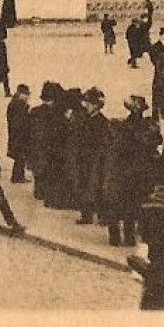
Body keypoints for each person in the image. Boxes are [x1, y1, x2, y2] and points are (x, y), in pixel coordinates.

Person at [103, 95, 162, 247]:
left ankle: (120, 236)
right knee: (127, 203)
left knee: (124, 202)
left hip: (131, 169)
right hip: (130, 169)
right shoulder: (133, 125)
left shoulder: (133, 125)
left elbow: (153, 141)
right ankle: (123, 236)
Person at [72, 87, 112, 226]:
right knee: (83, 185)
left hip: (97, 160)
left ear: (97, 106)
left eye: (89, 103)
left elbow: (103, 143)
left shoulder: (103, 122)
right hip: (84, 158)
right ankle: (86, 215)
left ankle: (103, 216)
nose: (86, 105)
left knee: (98, 187)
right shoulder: (84, 119)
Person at [26, 82, 62, 200]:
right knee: (46, 170)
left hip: (35, 147)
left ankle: (39, 191)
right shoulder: (55, 114)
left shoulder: (34, 111)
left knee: (38, 172)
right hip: (46, 147)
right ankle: (44, 192)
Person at [5, 84, 32, 184]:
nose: (28, 97)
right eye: (26, 94)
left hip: (16, 135)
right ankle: (17, 177)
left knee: (19, 157)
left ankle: (18, 176)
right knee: (20, 157)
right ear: (21, 94)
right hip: (19, 135)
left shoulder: (15, 103)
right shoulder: (19, 105)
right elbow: (20, 122)